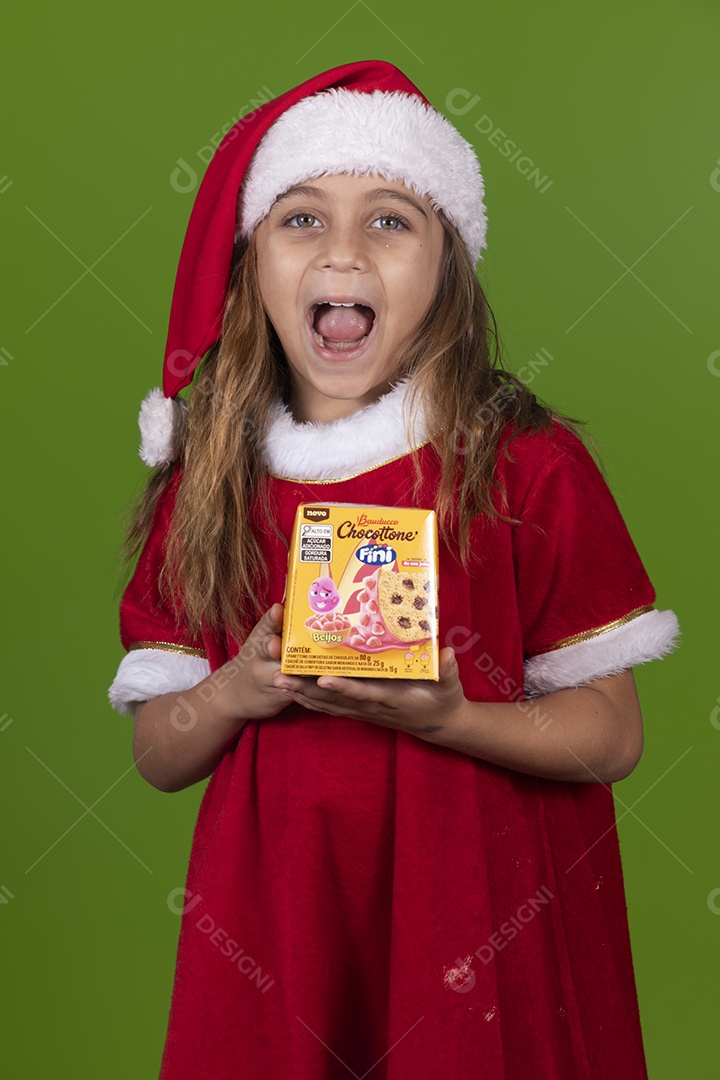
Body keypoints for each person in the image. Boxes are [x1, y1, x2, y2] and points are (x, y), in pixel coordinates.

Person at [109, 60, 680, 1079]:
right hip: (277, 922)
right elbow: (161, 754)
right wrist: (239, 687)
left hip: (476, 917)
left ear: (449, 266)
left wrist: (457, 720)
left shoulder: (525, 467)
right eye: (301, 219)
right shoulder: (212, 484)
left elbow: (615, 733)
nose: (343, 251)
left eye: (389, 220)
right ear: (250, 265)